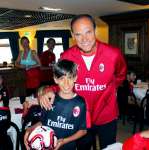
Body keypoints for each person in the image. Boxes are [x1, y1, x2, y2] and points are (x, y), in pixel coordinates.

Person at [38, 14, 127, 149]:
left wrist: (111, 89)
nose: (84, 39)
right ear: (73, 36)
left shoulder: (114, 54)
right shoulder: (66, 56)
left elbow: (121, 75)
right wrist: (49, 90)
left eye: (88, 32)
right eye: (78, 34)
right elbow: (63, 81)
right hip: (80, 117)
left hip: (107, 115)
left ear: (95, 30)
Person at [24, 59, 87, 150]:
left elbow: (83, 130)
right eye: (62, 78)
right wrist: (30, 129)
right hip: (47, 146)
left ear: (75, 78)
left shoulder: (80, 103)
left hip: (68, 147)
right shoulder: (49, 100)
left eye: (69, 77)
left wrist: (64, 141)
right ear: (55, 79)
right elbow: (43, 122)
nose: (66, 83)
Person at [15, 36, 41, 114]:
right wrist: (20, 66)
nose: (25, 44)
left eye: (26, 42)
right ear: (21, 44)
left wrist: (29, 66)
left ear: (29, 42)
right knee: (23, 93)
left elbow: (39, 64)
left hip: (33, 75)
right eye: (23, 42)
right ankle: (25, 109)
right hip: (23, 75)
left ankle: (36, 110)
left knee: (33, 94)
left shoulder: (33, 52)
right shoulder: (21, 52)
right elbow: (16, 63)